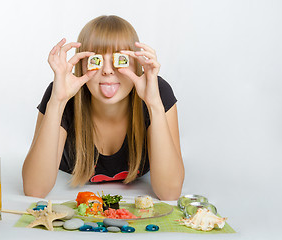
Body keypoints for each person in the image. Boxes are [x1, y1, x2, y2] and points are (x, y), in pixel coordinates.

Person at [22, 15, 184, 200]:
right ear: (81, 65)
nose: (107, 70)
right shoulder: (61, 92)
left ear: (137, 64)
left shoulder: (156, 91)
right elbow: (34, 190)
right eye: (96, 60)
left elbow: (170, 193)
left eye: (119, 59)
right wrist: (57, 102)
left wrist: (154, 105)